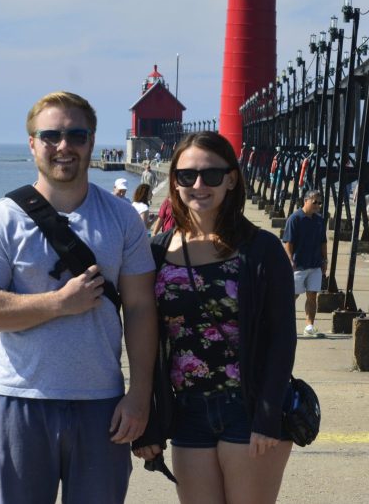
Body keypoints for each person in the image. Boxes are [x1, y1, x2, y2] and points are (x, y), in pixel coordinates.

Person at [0, 91, 157, 503]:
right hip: (20, 400)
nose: (64, 145)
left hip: (101, 404)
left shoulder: (122, 218)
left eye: (76, 135)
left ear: (92, 141)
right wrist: (59, 304)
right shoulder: (2, 219)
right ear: (32, 143)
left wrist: (140, 393)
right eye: (51, 135)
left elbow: (141, 308)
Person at [133, 131, 296, 503]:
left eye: (211, 174)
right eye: (187, 175)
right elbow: (146, 338)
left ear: (231, 179)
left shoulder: (261, 249)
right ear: (175, 181)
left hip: (249, 406)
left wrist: (268, 414)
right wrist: (150, 419)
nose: (199, 185)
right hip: (188, 409)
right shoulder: (157, 250)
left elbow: (282, 337)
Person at [283, 190, 327, 337]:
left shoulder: (319, 220)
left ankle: (309, 326)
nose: (318, 205)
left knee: (312, 295)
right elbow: (288, 242)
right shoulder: (295, 219)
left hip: (315, 264)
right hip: (299, 265)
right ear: (306, 201)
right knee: (292, 295)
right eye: (315, 202)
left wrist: (325, 260)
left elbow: (323, 242)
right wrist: (290, 260)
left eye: (319, 203)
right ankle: (283, 323)